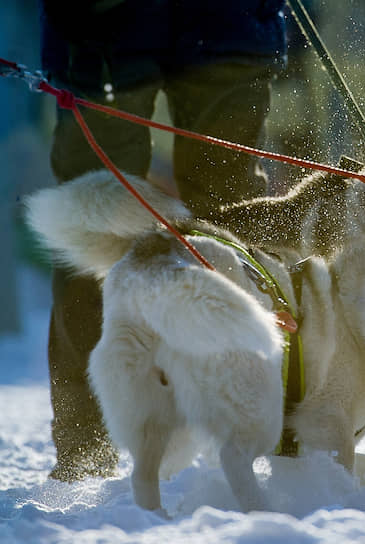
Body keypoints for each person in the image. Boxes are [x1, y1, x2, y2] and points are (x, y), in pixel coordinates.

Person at [39, 0, 287, 481]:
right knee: (95, 224)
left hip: (213, 26)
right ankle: (87, 454)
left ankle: (250, 428)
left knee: (231, 233)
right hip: (109, 29)